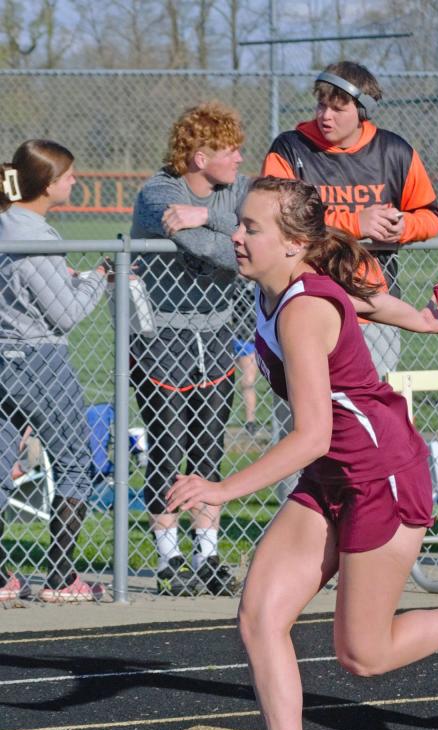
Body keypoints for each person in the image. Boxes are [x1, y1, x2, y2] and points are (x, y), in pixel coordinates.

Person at [173, 177, 438, 730]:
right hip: (334, 476)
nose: (236, 235)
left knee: (362, 655)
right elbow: (366, 302)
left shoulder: (301, 307)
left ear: (292, 246)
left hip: (381, 474)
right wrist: (419, 319)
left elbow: (313, 432)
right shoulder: (281, 290)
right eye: (240, 224)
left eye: (251, 227)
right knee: (260, 616)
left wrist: (222, 488)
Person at [131, 101, 249, 595]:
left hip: (217, 334)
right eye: (230, 150)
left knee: (207, 447)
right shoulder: (159, 192)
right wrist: (240, 237)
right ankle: (169, 556)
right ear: (201, 157)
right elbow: (207, 246)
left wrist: (212, 218)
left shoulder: (237, 190)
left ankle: (206, 553)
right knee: (169, 444)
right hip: (163, 337)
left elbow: (264, 230)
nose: (241, 158)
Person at [261, 60, 438, 377]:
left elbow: (432, 216)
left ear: (362, 111)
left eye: (338, 108)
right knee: (304, 414)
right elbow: (277, 216)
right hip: (304, 302)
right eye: (321, 105)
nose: (325, 116)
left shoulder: (394, 151)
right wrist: (355, 223)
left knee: (364, 414)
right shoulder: (290, 148)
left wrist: (403, 227)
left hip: (373, 309)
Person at [0, 140, 109, 604]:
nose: (74, 182)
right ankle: (64, 578)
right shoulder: (38, 236)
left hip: (4, 358)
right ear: (46, 185)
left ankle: (4, 578)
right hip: (40, 360)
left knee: (4, 463)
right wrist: (100, 278)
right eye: (68, 176)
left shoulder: (5, 221)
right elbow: (64, 314)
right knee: (74, 465)